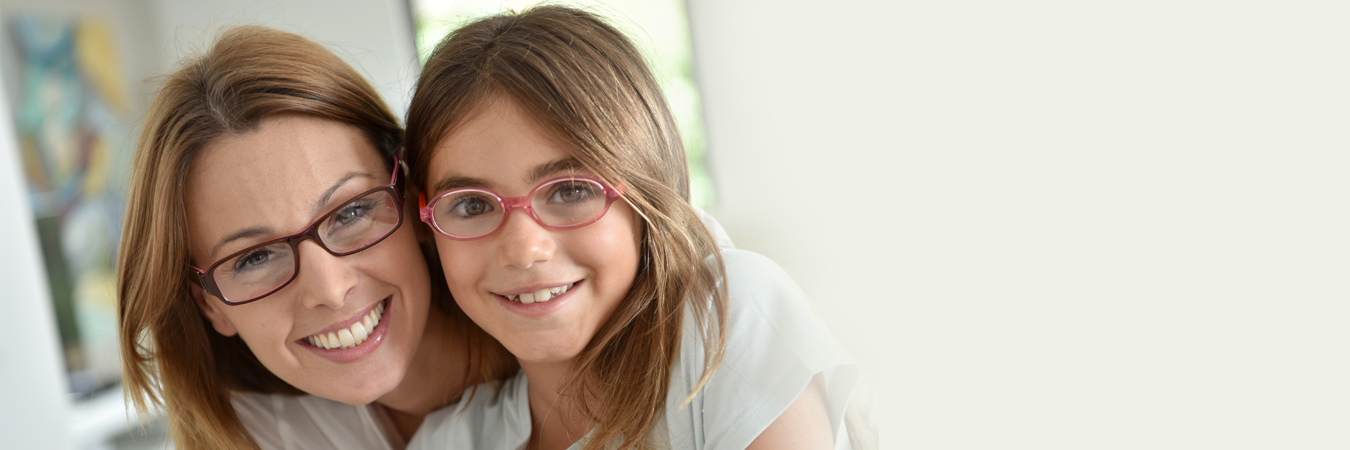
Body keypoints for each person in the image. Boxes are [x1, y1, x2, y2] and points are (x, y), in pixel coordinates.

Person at [402, 6, 873, 450]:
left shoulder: (724, 321)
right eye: (470, 205)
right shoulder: (450, 441)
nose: (524, 250)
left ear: (645, 192)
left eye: (569, 190)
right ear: (426, 223)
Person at [116, 26, 516, 450]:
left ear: (413, 197)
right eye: (254, 258)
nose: (330, 289)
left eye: (351, 212)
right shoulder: (252, 436)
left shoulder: (568, 366)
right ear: (209, 305)